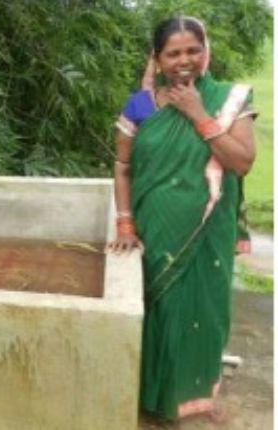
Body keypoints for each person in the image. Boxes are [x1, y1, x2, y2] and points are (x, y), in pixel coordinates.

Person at [107, 17, 256, 423]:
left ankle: (196, 399)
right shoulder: (140, 105)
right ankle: (152, 399)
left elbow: (242, 162)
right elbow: (122, 168)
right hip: (156, 228)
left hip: (208, 230)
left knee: (203, 313)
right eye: (173, 53)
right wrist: (125, 223)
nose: (184, 60)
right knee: (160, 312)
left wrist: (197, 114)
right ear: (158, 59)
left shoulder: (228, 100)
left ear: (206, 51)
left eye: (193, 49)